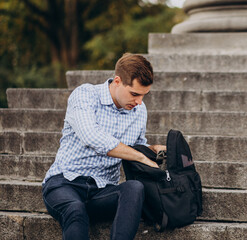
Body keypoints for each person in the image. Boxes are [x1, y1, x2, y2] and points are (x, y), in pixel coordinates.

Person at [42, 53, 166, 240]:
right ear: (117, 81)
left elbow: (135, 146)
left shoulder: (139, 110)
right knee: (75, 209)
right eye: (134, 94)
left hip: (102, 191)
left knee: (134, 188)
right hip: (64, 183)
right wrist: (140, 156)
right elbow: (92, 136)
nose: (139, 101)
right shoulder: (85, 95)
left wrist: (152, 149)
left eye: (143, 95)